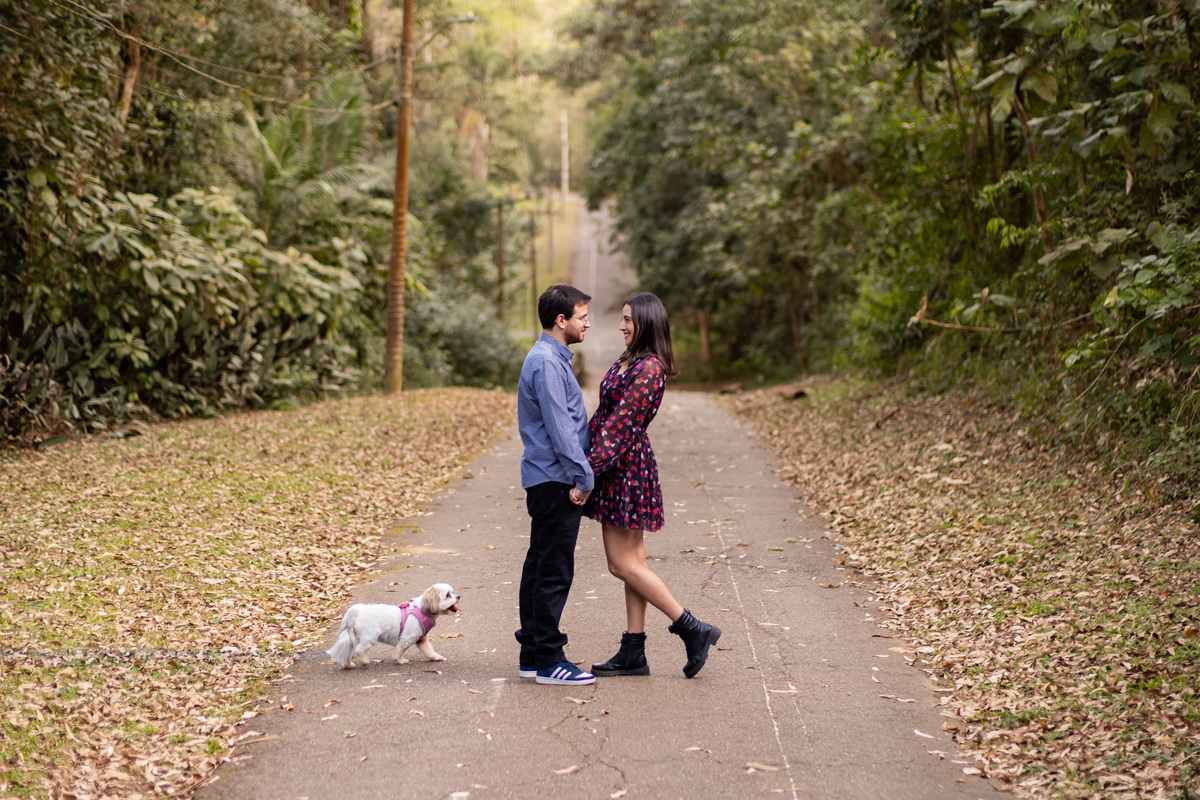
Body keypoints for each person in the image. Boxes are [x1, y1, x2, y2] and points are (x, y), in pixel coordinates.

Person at [581, 292, 721, 679]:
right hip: (620, 466)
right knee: (634, 564)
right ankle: (633, 651)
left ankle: (693, 629)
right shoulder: (630, 361)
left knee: (620, 564)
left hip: (625, 468)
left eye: (628, 319)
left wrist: (586, 473)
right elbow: (604, 416)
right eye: (622, 319)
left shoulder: (650, 368)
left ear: (647, 322)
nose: (622, 325)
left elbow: (620, 425)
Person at [515, 284, 597, 686]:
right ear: (560, 320)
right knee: (553, 571)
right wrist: (584, 476)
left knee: (539, 566)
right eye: (582, 317)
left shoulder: (550, 358)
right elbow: (561, 428)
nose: (588, 324)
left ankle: (532, 653)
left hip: (547, 478)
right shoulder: (547, 362)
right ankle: (549, 659)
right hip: (556, 480)